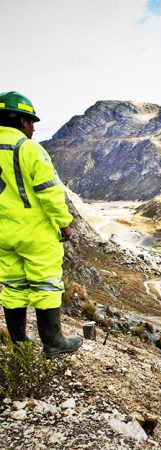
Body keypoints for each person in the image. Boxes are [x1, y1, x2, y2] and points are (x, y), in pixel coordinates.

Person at [0, 91, 82, 357]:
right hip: (35, 232)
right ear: (22, 120)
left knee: (13, 285)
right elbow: (50, 192)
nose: (34, 128)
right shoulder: (28, 148)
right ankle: (54, 343)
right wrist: (64, 223)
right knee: (46, 283)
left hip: (3, 234)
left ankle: (20, 344)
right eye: (31, 122)